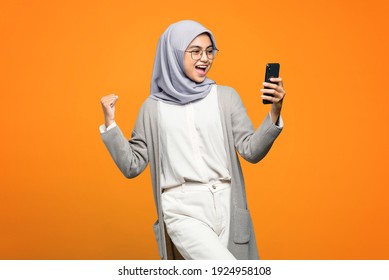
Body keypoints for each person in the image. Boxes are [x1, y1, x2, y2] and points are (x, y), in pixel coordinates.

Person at [99, 20, 286, 260]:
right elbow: (132, 165)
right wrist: (110, 124)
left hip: (227, 202)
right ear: (173, 54)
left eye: (210, 51)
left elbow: (251, 151)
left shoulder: (225, 97)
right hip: (181, 207)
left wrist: (275, 112)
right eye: (195, 51)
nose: (205, 58)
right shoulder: (153, 108)